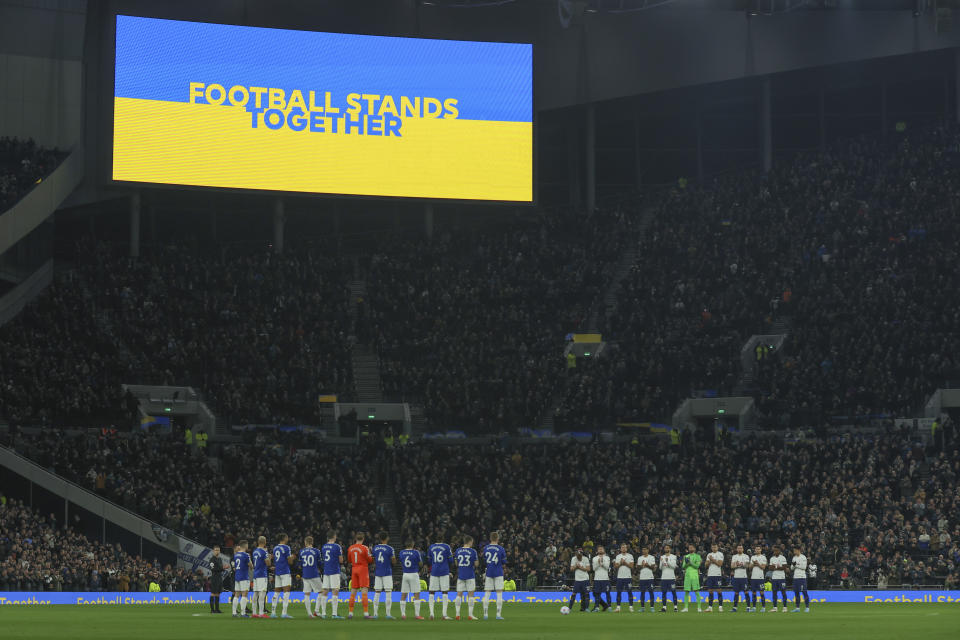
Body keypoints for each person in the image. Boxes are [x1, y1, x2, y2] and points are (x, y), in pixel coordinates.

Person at [426, 535, 454, 620]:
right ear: (443, 539)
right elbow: (451, 560)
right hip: (444, 571)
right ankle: (444, 615)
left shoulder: (431, 547)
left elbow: (429, 560)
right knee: (444, 592)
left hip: (434, 571)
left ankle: (431, 614)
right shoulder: (446, 546)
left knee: (431, 592)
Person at [347, 532, 374, 619]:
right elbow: (370, 560)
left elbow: (349, 560)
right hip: (363, 569)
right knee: (364, 592)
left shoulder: (350, 548)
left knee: (353, 592)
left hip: (354, 569)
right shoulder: (365, 548)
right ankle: (366, 614)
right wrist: (370, 553)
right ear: (363, 539)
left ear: (355, 538)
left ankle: (350, 613)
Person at [482, 531, 507, 620]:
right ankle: (498, 614)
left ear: (490, 538)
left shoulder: (486, 548)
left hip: (489, 572)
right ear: (498, 538)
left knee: (487, 593)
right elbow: (504, 562)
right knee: (499, 593)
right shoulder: (501, 549)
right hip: (498, 572)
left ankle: (485, 614)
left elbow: (484, 560)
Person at [319, 530, 344, 619]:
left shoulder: (324, 547)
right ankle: (334, 614)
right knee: (335, 591)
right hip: (334, 571)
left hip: (326, 571)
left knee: (325, 591)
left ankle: (323, 613)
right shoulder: (337, 546)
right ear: (334, 536)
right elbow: (341, 560)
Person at [454, 535, 479, 620]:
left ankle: (457, 614)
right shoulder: (473, 551)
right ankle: (470, 615)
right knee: (471, 595)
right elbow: (476, 564)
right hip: (470, 575)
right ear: (470, 542)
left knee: (459, 595)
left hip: (461, 575)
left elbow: (456, 563)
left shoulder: (458, 550)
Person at [372, 531, 396, 619]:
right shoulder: (390, 548)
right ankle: (388, 614)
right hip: (387, 572)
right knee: (388, 593)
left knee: (377, 592)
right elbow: (394, 561)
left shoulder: (375, 548)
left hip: (378, 572)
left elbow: (373, 560)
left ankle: (375, 614)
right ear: (387, 538)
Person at [398, 540, 423, 620]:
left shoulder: (401, 552)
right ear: (412, 544)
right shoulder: (416, 552)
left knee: (403, 594)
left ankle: (403, 614)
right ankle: (417, 615)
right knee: (416, 594)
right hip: (414, 573)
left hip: (405, 574)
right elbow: (420, 563)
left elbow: (401, 562)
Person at [298, 536, 322, 618]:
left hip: (305, 575)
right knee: (321, 592)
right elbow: (320, 564)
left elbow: (300, 564)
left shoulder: (301, 551)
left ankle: (309, 614)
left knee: (307, 594)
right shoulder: (316, 551)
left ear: (305, 542)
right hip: (314, 574)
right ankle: (316, 611)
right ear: (312, 542)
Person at [271, 533, 293, 618]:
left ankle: (273, 613)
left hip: (277, 572)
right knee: (286, 592)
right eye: (287, 537)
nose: (288, 539)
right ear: (284, 538)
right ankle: (284, 613)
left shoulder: (275, 548)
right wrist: (292, 558)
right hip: (285, 571)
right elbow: (289, 561)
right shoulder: (287, 547)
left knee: (276, 592)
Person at [231, 540, 251, 618]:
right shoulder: (246, 555)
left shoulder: (236, 555)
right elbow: (250, 565)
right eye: (247, 545)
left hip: (237, 577)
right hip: (244, 577)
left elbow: (235, 567)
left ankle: (234, 613)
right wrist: (251, 566)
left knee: (236, 595)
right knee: (244, 594)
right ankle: (243, 613)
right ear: (245, 546)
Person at [251, 536, 269, 618]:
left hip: (255, 574)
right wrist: (269, 557)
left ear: (258, 542)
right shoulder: (264, 551)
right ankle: (261, 613)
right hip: (262, 574)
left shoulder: (255, 551)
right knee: (262, 594)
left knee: (255, 594)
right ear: (265, 542)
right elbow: (268, 563)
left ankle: (254, 613)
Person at [613, 543, 635, 612]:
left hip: (628, 577)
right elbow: (615, 567)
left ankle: (631, 607)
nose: (623, 549)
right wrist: (620, 563)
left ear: (626, 548)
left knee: (629, 592)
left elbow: (632, 567)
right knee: (619, 592)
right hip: (620, 577)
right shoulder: (618, 556)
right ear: (620, 549)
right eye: (622, 547)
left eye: (625, 547)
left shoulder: (630, 556)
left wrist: (625, 563)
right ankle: (618, 607)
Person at [569, 548, 591, 612]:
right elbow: (571, 569)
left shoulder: (586, 559)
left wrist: (580, 567)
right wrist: (576, 566)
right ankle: (569, 608)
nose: (578, 556)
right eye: (577, 554)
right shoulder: (573, 558)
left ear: (582, 554)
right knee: (573, 594)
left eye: (580, 554)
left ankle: (586, 608)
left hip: (585, 579)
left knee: (586, 594)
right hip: (577, 579)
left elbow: (588, 569)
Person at [730, 544, 751, 612]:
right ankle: (735, 608)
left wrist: (741, 564)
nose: (739, 549)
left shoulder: (746, 556)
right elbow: (732, 566)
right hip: (736, 577)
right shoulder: (734, 556)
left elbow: (747, 566)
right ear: (737, 549)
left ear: (743, 549)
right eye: (738, 548)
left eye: (741, 548)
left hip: (743, 577)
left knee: (746, 592)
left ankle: (748, 607)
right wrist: (737, 565)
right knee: (736, 593)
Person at [681, 543, 701, 613]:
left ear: (694, 549)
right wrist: (687, 563)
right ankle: (686, 608)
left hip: (695, 576)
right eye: (689, 547)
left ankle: (699, 608)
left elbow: (697, 566)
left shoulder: (697, 556)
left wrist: (690, 563)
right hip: (687, 576)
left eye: (692, 547)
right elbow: (683, 567)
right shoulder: (686, 556)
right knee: (686, 592)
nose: (690, 549)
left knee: (697, 592)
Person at [768, 545, 789, 612]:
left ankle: (785, 607)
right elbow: (770, 568)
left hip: (781, 578)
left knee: (783, 592)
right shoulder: (772, 558)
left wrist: (775, 567)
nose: (775, 552)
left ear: (779, 551)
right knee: (774, 593)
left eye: (776, 550)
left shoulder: (783, 558)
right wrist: (778, 567)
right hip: (774, 578)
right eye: (774, 550)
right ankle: (775, 607)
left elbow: (784, 567)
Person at [636, 546, 656, 612]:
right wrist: (642, 565)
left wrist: (647, 565)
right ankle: (642, 607)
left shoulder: (651, 557)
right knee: (642, 592)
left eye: (645, 549)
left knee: (651, 592)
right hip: (642, 578)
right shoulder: (640, 558)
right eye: (643, 549)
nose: (644, 551)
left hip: (650, 577)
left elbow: (653, 567)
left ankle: (652, 607)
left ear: (648, 550)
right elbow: (638, 568)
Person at [704, 543, 724, 612]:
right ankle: (710, 607)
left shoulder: (720, 554)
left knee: (719, 590)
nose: (714, 548)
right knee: (710, 591)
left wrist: (712, 560)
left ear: (717, 547)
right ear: (711, 548)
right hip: (710, 575)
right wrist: (710, 561)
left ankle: (720, 607)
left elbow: (720, 564)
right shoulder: (709, 554)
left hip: (717, 575)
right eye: (712, 547)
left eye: (715, 547)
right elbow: (706, 565)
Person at [591, 545, 611, 612]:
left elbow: (607, 567)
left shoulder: (607, 558)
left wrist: (602, 564)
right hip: (597, 578)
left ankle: (609, 607)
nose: (600, 550)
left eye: (601, 549)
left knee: (607, 593)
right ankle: (597, 607)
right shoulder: (594, 558)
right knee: (596, 593)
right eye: (599, 549)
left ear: (604, 550)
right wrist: (598, 563)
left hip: (605, 578)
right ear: (597, 551)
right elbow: (594, 568)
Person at [659, 544, 678, 612]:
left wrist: (667, 561)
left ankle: (675, 607)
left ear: (670, 549)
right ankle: (664, 607)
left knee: (673, 592)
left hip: (671, 577)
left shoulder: (673, 557)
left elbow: (673, 566)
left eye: (668, 548)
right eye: (665, 548)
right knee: (664, 593)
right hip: (664, 578)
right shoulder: (662, 557)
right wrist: (661, 562)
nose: (666, 549)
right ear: (664, 549)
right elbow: (660, 568)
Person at [790, 546, 810, 613]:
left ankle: (807, 607)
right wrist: (793, 565)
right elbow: (791, 568)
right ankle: (797, 608)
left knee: (804, 592)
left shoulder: (803, 557)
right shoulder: (794, 557)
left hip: (802, 577)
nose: (794, 552)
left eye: (795, 550)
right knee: (796, 593)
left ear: (798, 550)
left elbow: (804, 567)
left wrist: (796, 565)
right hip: (795, 577)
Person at [749, 545, 768, 612]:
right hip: (753, 577)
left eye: (758, 549)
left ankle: (763, 607)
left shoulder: (763, 557)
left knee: (761, 593)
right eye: (756, 549)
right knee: (754, 593)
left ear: (761, 550)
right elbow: (749, 568)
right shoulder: (752, 557)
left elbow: (763, 567)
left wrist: (757, 563)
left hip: (760, 578)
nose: (757, 550)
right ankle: (754, 607)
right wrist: (754, 564)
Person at [207, 545, 225, 614]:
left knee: (218, 593)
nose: (217, 551)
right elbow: (213, 569)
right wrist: (222, 568)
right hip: (214, 578)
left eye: (218, 550)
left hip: (219, 578)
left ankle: (217, 609)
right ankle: (212, 610)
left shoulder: (220, 559)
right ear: (213, 551)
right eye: (216, 550)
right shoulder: (212, 559)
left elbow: (220, 568)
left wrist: (222, 568)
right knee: (213, 593)